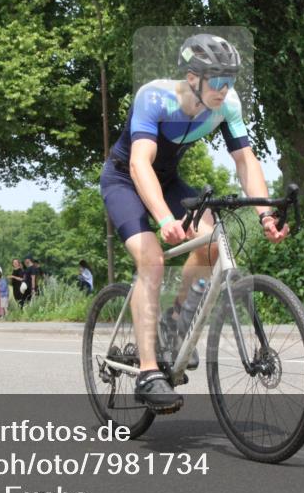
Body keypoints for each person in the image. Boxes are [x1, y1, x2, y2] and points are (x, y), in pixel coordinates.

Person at [99, 33, 287, 413]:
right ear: (192, 78)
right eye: (217, 81)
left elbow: (246, 161)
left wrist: (265, 212)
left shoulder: (226, 105)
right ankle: (149, 372)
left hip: (167, 180)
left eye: (231, 80)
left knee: (213, 241)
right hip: (124, 178)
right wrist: (165, 219)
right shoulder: (155, 97)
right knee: (151, 257)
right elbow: (139, 164)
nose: (225, 89)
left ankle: (174, 323)